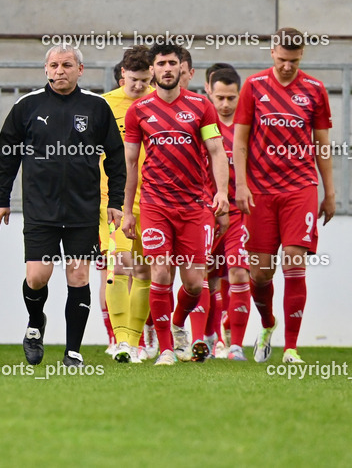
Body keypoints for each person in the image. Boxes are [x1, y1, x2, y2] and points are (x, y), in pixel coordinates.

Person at [0, 44, 125, 368]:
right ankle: (36, 323)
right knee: (37, 277)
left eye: (66, 65)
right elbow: (7, 154)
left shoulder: (96, 107)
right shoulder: (27, 106)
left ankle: (73, 351)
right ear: (46, 70)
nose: (59, 70)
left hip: (82, 209)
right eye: (53, 65)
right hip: (41, 208)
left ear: (81, 70)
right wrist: (0, 200)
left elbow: (117, 157)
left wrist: (116, 201)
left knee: (78, 275)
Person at [122, 43, 229, 365]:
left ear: (182, 69)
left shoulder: (201, 106)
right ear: (152, 69)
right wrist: (127, 210)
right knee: (161, 271)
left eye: (173, 63)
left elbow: (215, 151)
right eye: (161, 63)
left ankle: (178, 324)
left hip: (195, 205)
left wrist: (221, 192)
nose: (167, 68)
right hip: (155, 204)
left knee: (195, 283)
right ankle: (166, 349)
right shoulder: (138, 110)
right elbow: (129, 163)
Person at [233, 28, 334, 365]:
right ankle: (268, 323)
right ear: (272, 52)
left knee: (294, 259)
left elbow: (322, 143)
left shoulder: (315, 90)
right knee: (260, 273)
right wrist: (241, 185)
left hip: (299, 187)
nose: (288, 66)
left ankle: (291, 348)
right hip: (259, 190)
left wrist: (328, 191)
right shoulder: (254, 87)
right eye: (282, 59)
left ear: (301, 55)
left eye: (294, 60)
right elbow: (241, 140)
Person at [98, 46, 154, 363]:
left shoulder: (158, 104)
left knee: (144, 271)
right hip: (116, 203)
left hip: (154, 202)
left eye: (145, 80)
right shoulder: (105, 105)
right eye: (133, 79)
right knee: (117, 267)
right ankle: (119, 340)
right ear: (123, 75)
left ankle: (136, 340)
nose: (138, 86)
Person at [205, 66, 252, 360]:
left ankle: (236, 344)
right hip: (207, 212)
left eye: (231, 98)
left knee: (237, 271)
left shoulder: (249, 126)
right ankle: (212, 339)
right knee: (207, 277)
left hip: (239, 211)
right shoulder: (202, 123)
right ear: (209, 91)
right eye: (219, 97)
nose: (224, 104)